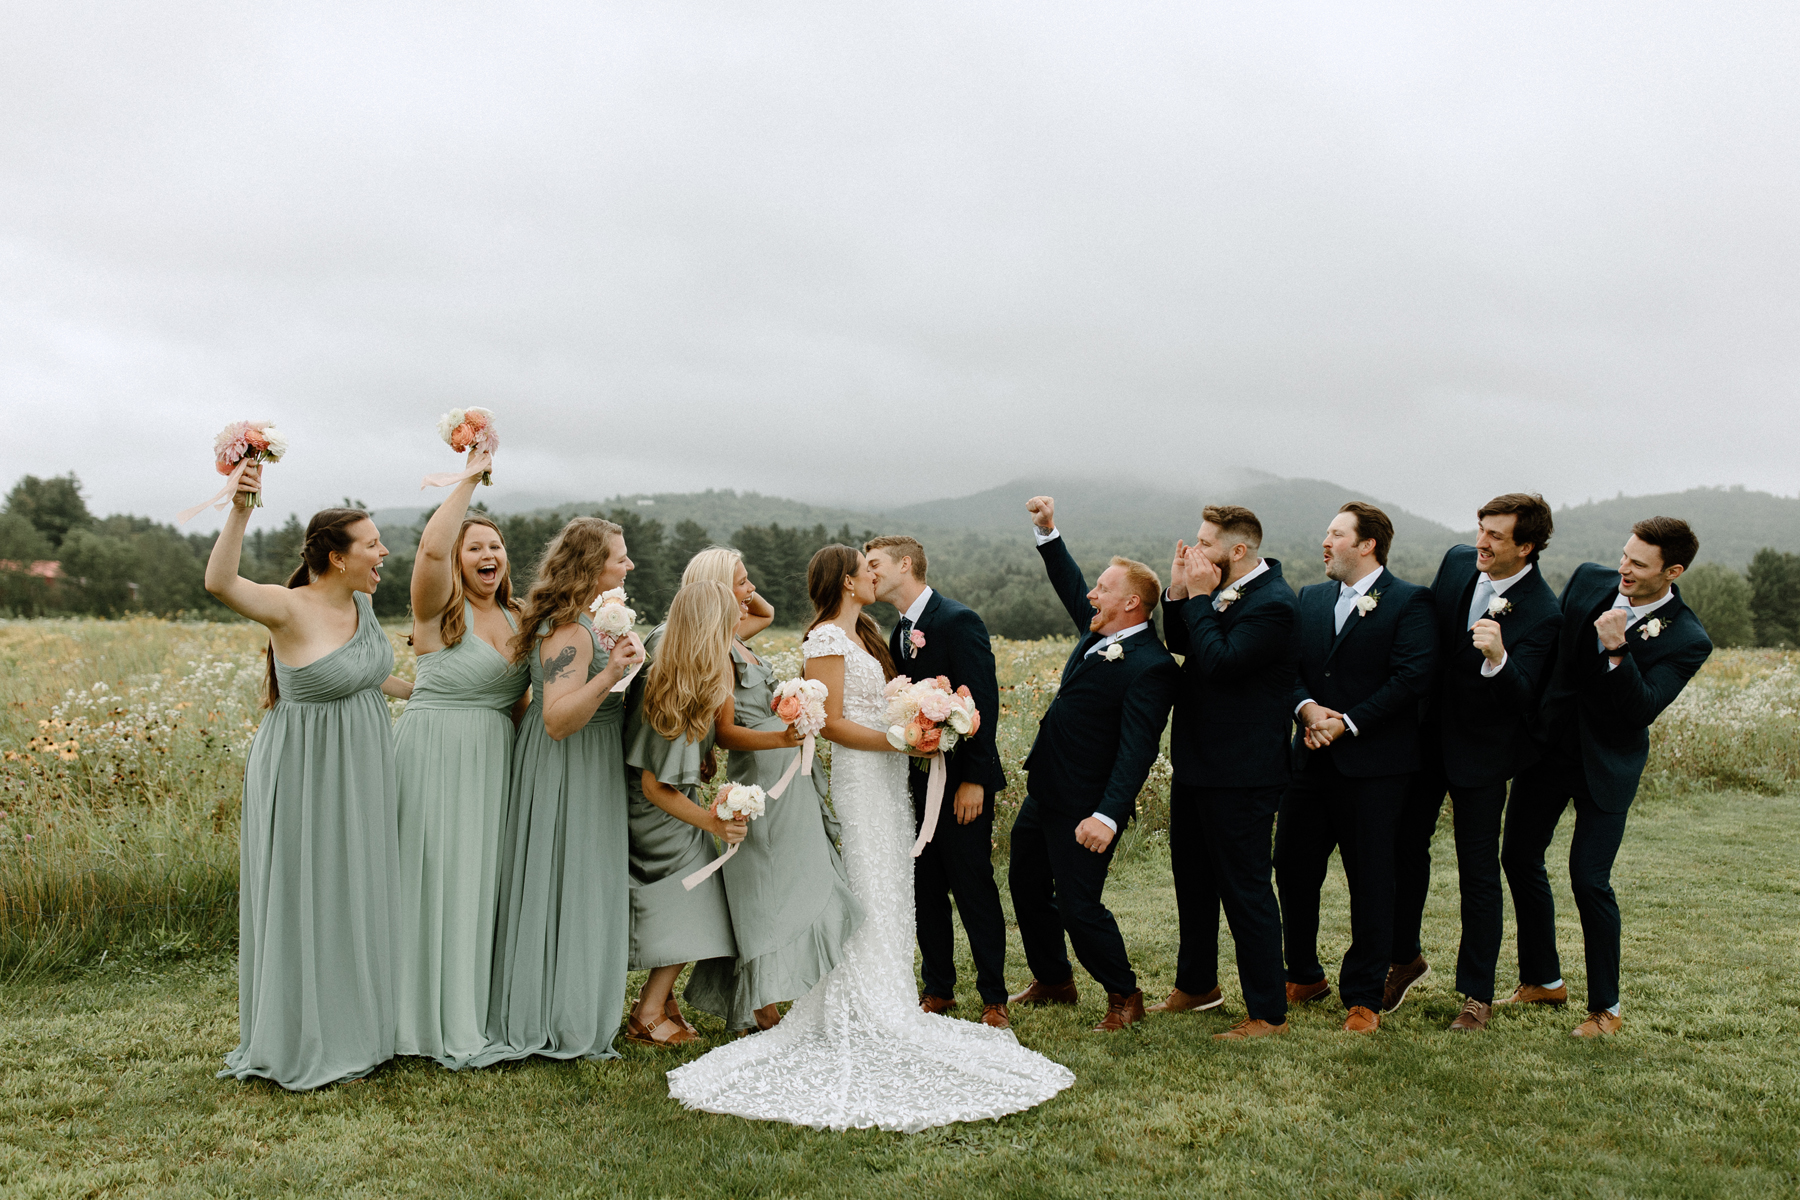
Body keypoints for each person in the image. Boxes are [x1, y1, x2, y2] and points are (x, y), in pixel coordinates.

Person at [665, 545, 1073, 1132]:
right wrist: (898, 742)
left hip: (888, 781)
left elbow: (875, 705)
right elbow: (828, 722)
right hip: (860, 780)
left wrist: (915, 718)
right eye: (865, 566)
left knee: (891, 886)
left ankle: (891, 998)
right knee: (867, 880)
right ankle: (854, 1004)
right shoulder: (826, 640)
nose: (873, 573)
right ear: (848, 581)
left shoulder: (867, 634)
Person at [204, 463, 413, 1090]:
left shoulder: (363, 607)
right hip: (303, 771)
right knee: (307, 891)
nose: (383, 552)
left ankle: (361, 1028)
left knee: (355, 888)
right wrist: (242, 505)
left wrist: (441, 699)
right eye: (372, 544)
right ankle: (302, 1034)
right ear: (336, 556)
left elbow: (373, 677)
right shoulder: (288, 608)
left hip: (364, 767)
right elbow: (219, 581)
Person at [1500, 517, 1711, 1037]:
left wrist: (1619, 651)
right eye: (1624, 555)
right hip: (1550, 752)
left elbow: (1640, 709)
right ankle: (1543, 979)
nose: (1624, 569)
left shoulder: (1688, 637)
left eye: (1639, 564)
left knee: (1589, 879)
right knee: (1518, 856)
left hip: (1607, 765)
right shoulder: (1590, 581)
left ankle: (1606, 1010)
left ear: (1673, 571)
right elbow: (1553, 658)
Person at [468, 518, 646, 1067]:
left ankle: (576, 1008)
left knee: (586, 882)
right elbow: (557, 720)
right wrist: (611, 671)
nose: (629, 565)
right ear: (593, 566)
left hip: (593, 763)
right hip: (566, 763)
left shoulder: (594, 621)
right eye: (620, 558)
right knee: (564, 880)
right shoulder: (567, 629)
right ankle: (549, 1016)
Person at [1385, 493, 1562, 1032]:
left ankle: (1476, 994)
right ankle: (1403, 958)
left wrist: (1499, 658)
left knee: (1477, 872)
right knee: (1402, 848)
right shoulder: (1458, 561)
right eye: (1480, 529)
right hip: (1424, 740)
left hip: (1484, 753)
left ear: (1526, 547)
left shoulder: (1544, 610)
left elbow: (1525, 695)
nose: (1481, 542)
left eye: (1496, 536)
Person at [1007, 496, 1179, 1033]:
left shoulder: (1151, 666)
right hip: (1047, 790)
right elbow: (1069, 581)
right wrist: (1049, 533)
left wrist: (1107, 815)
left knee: (1080, 906)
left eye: (1103, 589)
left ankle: (1124, 994)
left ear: (1131, 603)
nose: (1091, 595)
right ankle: (1055, 980)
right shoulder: (1100, 631)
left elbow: (1138, 750)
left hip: (1087, 804)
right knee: (1025, 885)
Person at [683, 547, 861, 1035]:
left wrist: (741, 591)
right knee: (764, 880)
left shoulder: (735, 636)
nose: (750, 590)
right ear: (720, 591)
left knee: (795, 874)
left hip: (787, 769)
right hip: (763, 773)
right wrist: (782, 737)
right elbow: (724, 733)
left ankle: (780, 989)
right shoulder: (718, 651)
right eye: (741, 582)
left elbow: (767, 612)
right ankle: (760, 1003)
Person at [1276, 502, 1436, 1034]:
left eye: (1336, 534)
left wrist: (1348, 721)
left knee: (1371, 879)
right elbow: (1292, 669)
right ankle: (1302, 974)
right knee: (1293, 868)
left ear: (1366, 544)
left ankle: (1364, 995)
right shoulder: (1312, 598)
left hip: (1376, 768)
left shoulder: (1410, 601)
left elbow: (1411, 677)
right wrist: (1306, 709)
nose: (1325, 542)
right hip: (1311, 760)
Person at [392, 458, 532, 1065]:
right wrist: (470, 479)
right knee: (429, 880)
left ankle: (471, 1007)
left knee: (481, 883)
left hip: (494, 761)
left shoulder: (520, 617)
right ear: (458, 558)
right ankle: (410, 1019)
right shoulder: (438, 608)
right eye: (474, 546)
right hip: (434, 754)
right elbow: (427, 551)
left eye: (496, 545)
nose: (487, 553)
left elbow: (531, 702)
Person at [1157, 505, 1298, 1040]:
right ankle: (1197, 986)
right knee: (1192, 881)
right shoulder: (1215, 588)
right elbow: (1184, 644)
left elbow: (1219, 660)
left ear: (1237, 551)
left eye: (1204, 544)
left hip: (1243, 772)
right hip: (1197, 762)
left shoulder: (1275, 604)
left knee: (1246, 890)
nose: (1194, 553)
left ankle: (1268, 1012)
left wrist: (1196, 597)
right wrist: (1178, 591)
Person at [864, 535, 1010, 1029]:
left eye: (876, 564)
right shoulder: (899, 631)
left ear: (906, 565)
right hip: (915, 782)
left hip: (960, 786)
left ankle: (994, 997)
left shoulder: (957, 620)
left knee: (973, 888)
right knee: (925, 887)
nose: (870, 572)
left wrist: (977, 781)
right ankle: (939, 989)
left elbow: (981, 702)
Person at [621, 580, 748, 1046]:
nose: (742, 616)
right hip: (652, 808)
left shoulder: (687, 668)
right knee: (701, 890)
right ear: (712, 624)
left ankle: (660, 1001)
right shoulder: (669, 681)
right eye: (733, 611)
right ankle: (649, 1012)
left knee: (698, 892)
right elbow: (655, 785)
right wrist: (713, 823)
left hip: (669, 801)